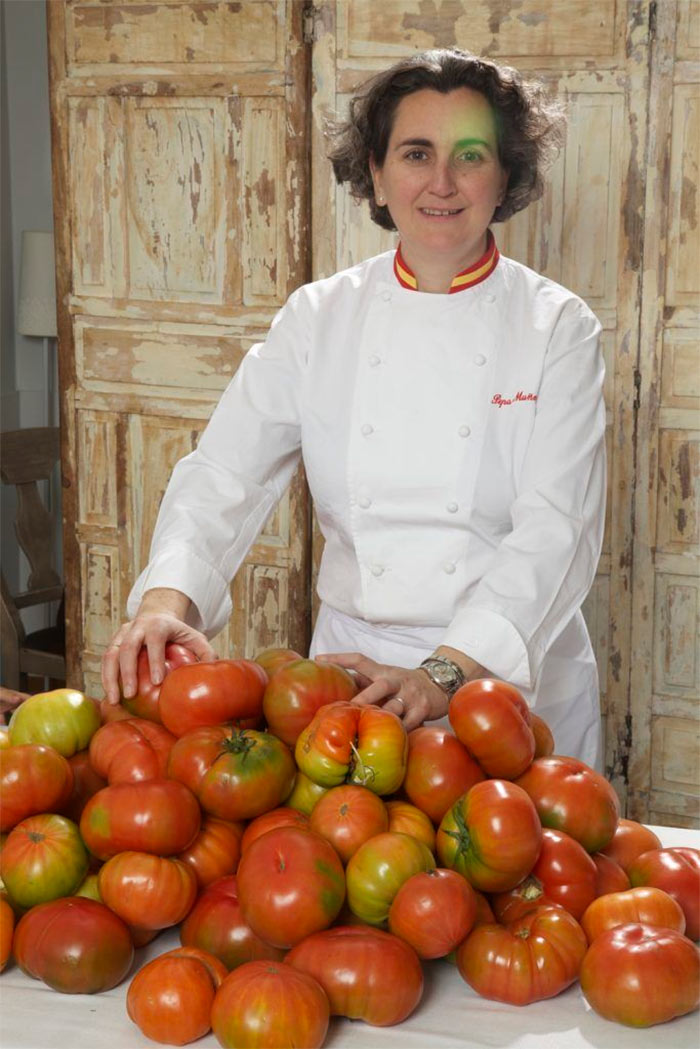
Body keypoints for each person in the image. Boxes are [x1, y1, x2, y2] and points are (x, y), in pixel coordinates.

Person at [102, 48, 606, 769]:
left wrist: (443, 675)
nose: (441, 182)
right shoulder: (318, 317)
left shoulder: (557, 326)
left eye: (470, 155)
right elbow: (225, 475)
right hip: (352, 692)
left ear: (506, 175)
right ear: (375, 171)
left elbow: (559, 527)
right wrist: (164, 605)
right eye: (415, 153)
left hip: (507, 688)